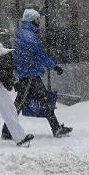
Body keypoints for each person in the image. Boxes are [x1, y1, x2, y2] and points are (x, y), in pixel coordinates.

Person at [6, 8, 70, 138]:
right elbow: (39, 55)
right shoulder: (28, 36)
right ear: (31, 20)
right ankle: (7, 130)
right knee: (21, 102)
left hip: (29, 73)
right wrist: (54, 66)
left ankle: (56, 128)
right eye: (37, 19)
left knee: (40, 100)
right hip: (29, 74)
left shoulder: (24, 33)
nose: (39, 22)